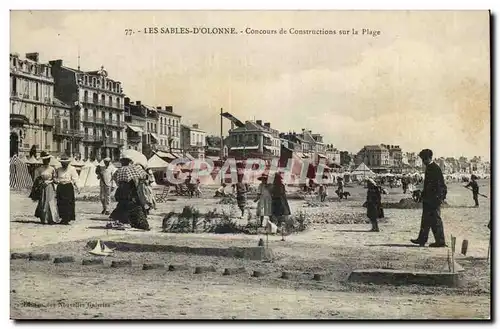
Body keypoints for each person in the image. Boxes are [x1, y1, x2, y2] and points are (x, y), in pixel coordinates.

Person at [411, 149, 447, 247]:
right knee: (426, 220)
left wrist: (438, 198)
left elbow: (438, 186)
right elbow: (428, 186)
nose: (423, 162)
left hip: (434, 199)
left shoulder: (434, 168)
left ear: (429, 158)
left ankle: (440, 241)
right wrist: (423, 195)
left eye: (424, 159)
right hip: (430, 198)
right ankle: (422, 239)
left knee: (435, 220)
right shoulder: (431, 167)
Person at [109, 153, 150, 231]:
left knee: (123, 207)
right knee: (134, 208)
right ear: (129, 161)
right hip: (131, 192)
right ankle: (137, 223)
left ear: (122, 162)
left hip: (122, 193)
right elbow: (145, 177)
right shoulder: (134, 169)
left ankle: (124, 221)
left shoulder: (119, 171)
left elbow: (116, 181)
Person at [30, 151, 61, 224]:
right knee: (43, 202)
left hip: (50, 187)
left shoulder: (52, 169)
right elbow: (36, 179)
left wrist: (50, 182)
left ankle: (52, 218)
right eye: (45, 160)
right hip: (42, 187)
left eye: (47, 159)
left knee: (51, 202)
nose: (46, 161)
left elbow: (55, 179)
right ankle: (44, 218)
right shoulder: (39, 169)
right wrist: (42, 183)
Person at [55, 155, 80, 225]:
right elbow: (56, 178)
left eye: (65, 163)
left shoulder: (72, 169)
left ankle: (67, 219)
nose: (64, 164)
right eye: (62, 163)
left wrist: (78, 188)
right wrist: (56, 181)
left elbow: (75, 179)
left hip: (68, 187)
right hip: (60, 187)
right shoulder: (58, 169)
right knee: (60, 203)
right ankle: (62, 218)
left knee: (68, 203)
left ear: (68, 163)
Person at [271, 173, 291, 241]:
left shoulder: (272, 186)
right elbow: (283, 193)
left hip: (275, 201)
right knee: (281, 217)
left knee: (275, 216)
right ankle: (281, 230)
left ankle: (277, 229)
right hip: (281, 201)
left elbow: (272, 194)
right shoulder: (281, 185)